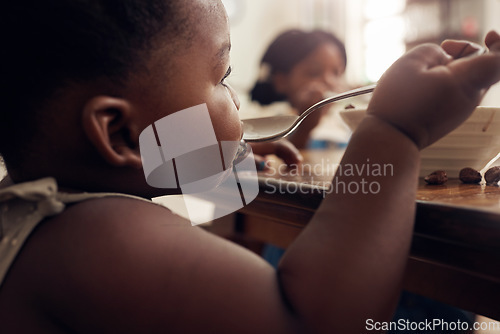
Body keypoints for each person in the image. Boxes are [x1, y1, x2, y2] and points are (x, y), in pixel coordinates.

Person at [0, 1, 499, 333]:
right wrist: (394, 131)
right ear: (119, 133)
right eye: (223, 76)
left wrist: (213, 167)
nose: (233, 99)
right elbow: (307, 321)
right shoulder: (93, 239)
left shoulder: (53, 214)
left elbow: (204, 242)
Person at [250, 29, 350, 148]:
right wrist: (305, 128)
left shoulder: (341, 122)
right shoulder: (268, 124)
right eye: (314, 73)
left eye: (336, 73)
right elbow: (279, 160)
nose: (330, 81)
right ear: (281, 81)